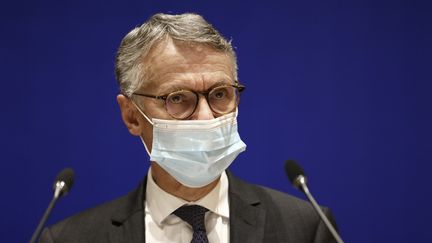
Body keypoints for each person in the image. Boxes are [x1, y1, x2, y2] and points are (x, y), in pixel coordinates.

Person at [40, 13, 338, 243]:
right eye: (178, 98)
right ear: (132, 115)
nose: (207, 117)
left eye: (220, 94)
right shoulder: (70, 238)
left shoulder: (306, 228)